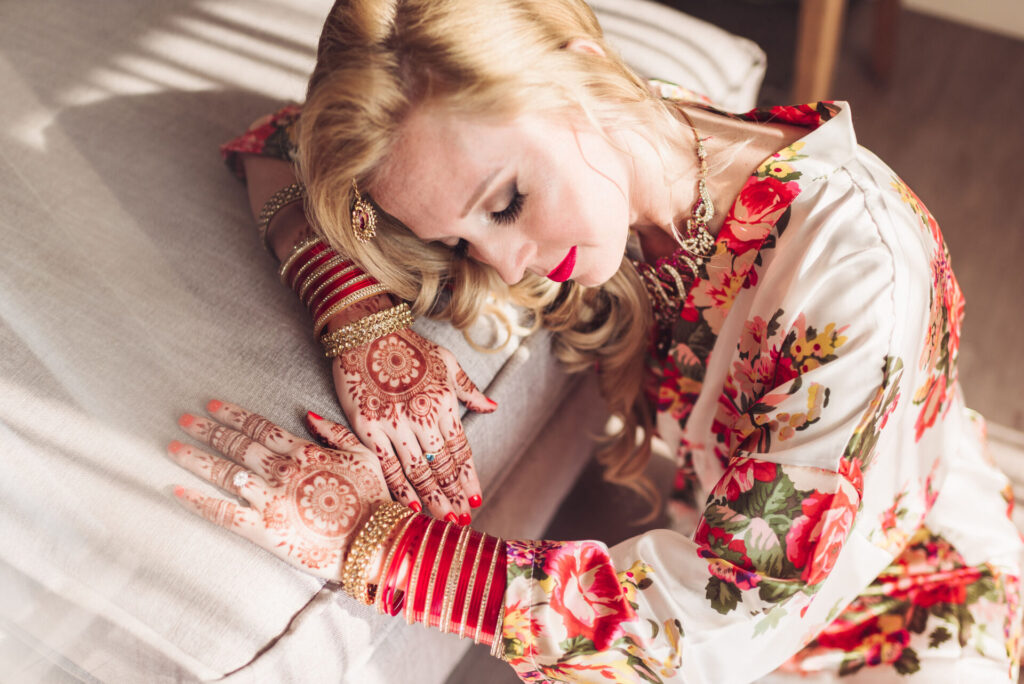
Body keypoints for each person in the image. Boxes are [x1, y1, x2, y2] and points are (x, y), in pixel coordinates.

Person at [165, 0, 1023, 680]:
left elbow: (713, 620)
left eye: (506, 203)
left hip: (911, 625)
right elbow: (278, 144)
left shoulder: (856, 276)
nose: (504, 262)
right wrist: (352, 311)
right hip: (711, 562)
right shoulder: (630, 144)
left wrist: (378, 541)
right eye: (461, 239)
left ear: (576, 73)